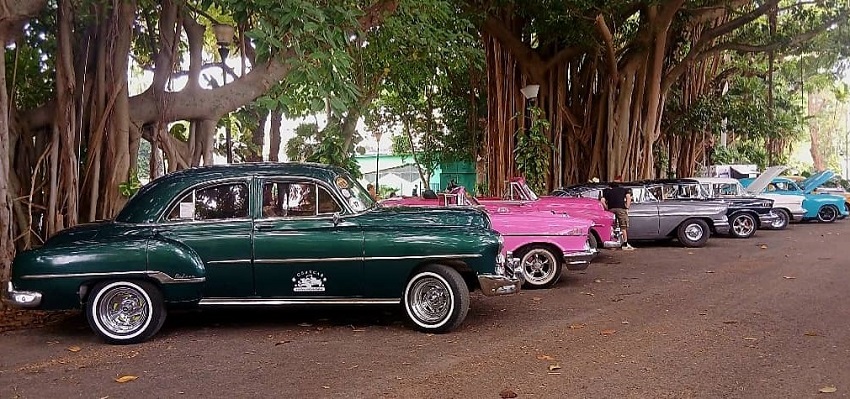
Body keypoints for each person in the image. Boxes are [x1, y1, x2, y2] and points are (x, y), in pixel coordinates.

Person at [601, 176, 634, 250]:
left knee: (612, 226)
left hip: (611, 209)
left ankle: (612, 243)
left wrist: (607, 208)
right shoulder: (623, 190)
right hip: (621, 209)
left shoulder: (608, 191)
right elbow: (628, 197)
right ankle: (625, 244)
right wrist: (627, 207)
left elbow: (602, 201)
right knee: (623, 226)